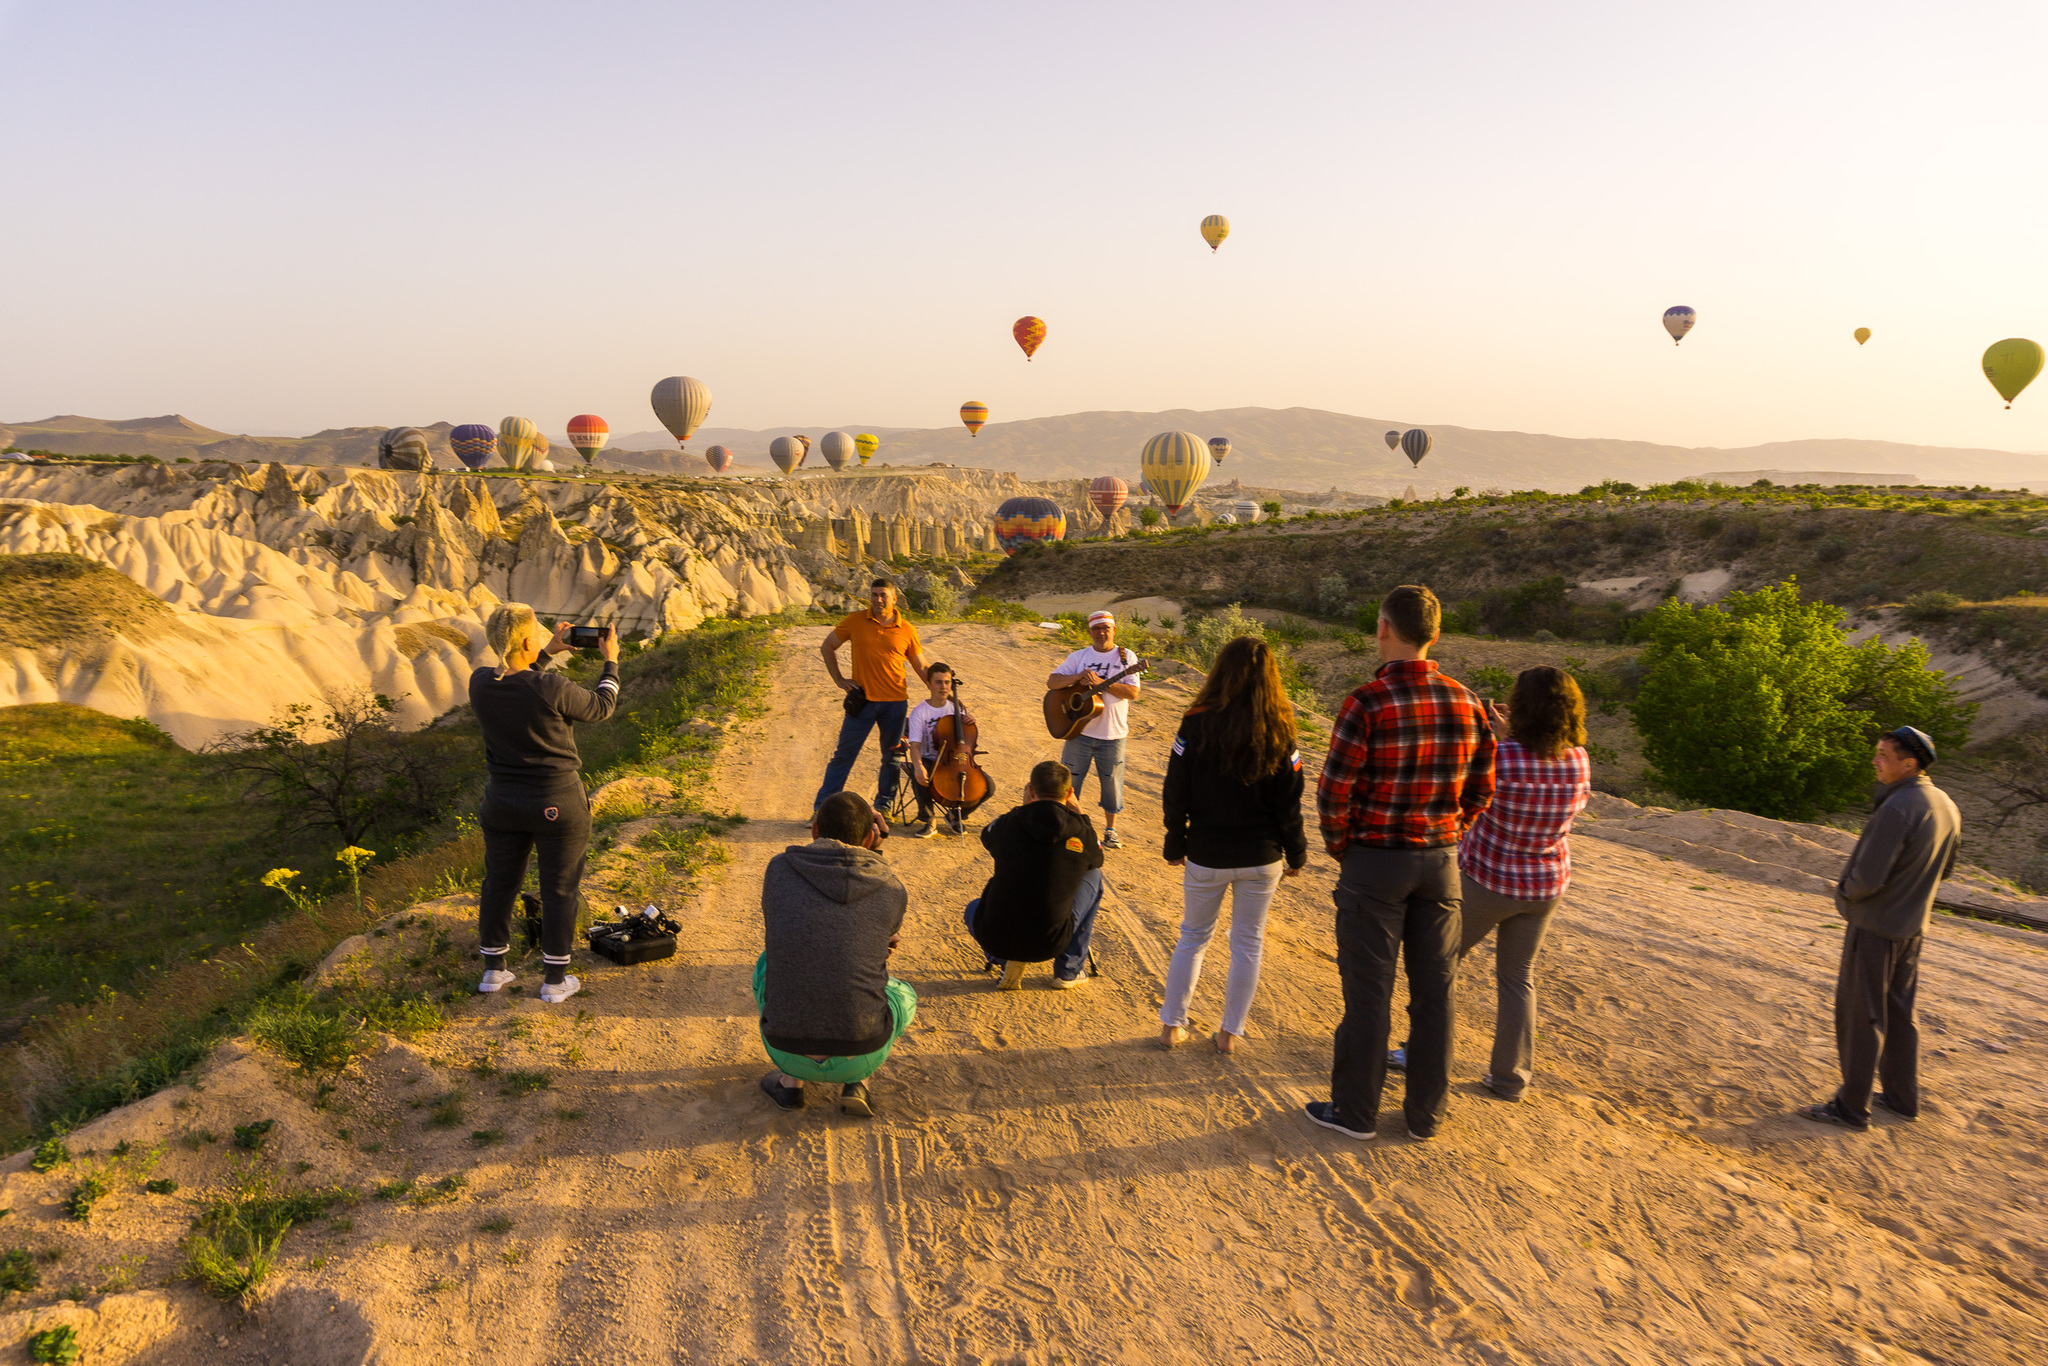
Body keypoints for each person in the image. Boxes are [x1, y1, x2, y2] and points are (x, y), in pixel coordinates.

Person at [1304, 584, 1494, 1142]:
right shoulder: (1468, 702)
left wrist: (1345, 848)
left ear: (1384, 628)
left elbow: (1334, 789)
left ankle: (1357, 1113)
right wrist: (1450, 831)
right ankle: (1424, 1116)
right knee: (1435, 993)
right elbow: (1482, 787)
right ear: (1434, 635)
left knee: (1369, 993)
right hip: (1439, 863)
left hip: (1376, 862)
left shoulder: (1366, 702)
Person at [1434, 665, 1591, 1101]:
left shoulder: (1501, 757)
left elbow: (1466, 798)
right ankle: (1510, 1079)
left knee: (1439, 965)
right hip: (1545, 886)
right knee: (1518, 978)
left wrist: (1497, 738)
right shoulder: (1578, 760)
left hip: (1489, 880)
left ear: (1521, 708)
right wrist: (1508, 738)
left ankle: (1422, 1053)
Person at [1802, 726, 1960, 1132]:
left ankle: (1850, 1109)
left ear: (1910, 764)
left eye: (1884, 755)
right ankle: (1901, 1098)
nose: (1875, 760)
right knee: (1899, 1014)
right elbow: (1947, 869)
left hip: (1875, 927)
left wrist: (1846, 896)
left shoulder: (1897, 807)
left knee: (1861, 1016)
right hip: (1912, 928)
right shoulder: (1945, 804)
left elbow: (1868, 876)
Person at [1158, 636, 1308, 1053]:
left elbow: (1176, 788)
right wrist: (1296, 853)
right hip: (1261, 858)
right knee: (1248, 942)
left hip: (1207, 853)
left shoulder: (1196, 720)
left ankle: (1172, 1025)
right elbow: (1289, 801)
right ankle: (1230, 1034)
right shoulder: (1280, 726)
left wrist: (1175, 841)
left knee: (1193, 936)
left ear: (1221, 670)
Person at [469, 605, 621, 1005]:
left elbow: (520, 676)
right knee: (559, 888)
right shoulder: (550, 687)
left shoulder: (480, 682)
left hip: (501, 801)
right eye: (536, 634)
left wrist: (551, 649)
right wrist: (612, 661)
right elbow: (602, 706)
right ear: (524, 641)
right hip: (556, 802)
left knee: (499, 883)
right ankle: (554, 980)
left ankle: (493, 971)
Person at [756, 792, 916, 1117]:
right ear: (871, 837)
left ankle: (790, 1084)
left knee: (766, 964)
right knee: (903, 993)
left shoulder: (778, 871)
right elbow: (885, 939)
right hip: (863, 1048)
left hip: (785, 1048)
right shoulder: (892, 888)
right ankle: (858, 1082)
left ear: (814, 831)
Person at [963, 761, 1104, 990]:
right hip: (1051, 941)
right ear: (1069, 793)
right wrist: (1081, 815)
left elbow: (987, 837)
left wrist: (1024, 809)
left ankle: (1002, 958)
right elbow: (1097, 858)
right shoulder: (1080, 830)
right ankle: (1068, 970)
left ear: (1030, 790)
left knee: (973, 908)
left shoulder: (1008, 822)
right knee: (1094, 875)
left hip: (997, 936)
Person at [817, 579, 933, 826]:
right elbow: (827, 646)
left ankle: (885, 806)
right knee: (844, 755)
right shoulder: (855, 621)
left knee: (891, 757)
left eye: (883, 595)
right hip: (863, 702)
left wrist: (944, 694)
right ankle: (822, 809)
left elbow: (921, 666)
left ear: (894, 598)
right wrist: (839, 679)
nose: (878, 599)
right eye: (874, 595)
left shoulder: (907, 629)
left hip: (895, 703)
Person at [1046, 610, 1142, 848]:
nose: (1101, 633)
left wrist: (1101, 684)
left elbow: (1133, 693)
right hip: (1079, 732)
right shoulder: (1079, 657)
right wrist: (1078, 676)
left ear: (1114, 630)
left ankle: (1111, 831)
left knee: (1112, 784)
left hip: (1113, 734)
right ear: (1090, 632)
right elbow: (1052, 682)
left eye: (1106, 629)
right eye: (1096, 629)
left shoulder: (1126, 657)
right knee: (1069, 782)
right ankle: (1068, 827)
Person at [902, 661, 986, 837]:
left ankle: (954, 816)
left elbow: (965, 741)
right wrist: (917, 766)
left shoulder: (957, 709)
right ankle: (929, 820)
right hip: (930, 759)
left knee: (988, 787)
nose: (944, 686)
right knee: (920, 774)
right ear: (929, 684)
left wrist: (968, 722)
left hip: (955, 760)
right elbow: (915, 745)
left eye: (947, 682)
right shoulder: (920, 712)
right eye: (939, 682)